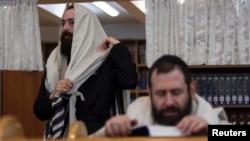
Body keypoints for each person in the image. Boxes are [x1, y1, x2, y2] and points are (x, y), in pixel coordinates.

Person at [33, 3, 138, 139]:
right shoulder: (54, 63)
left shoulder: (104, 61)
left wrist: (118, 46)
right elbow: (39, 112)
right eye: (63, 22)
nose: (65, 28)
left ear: (86, 27)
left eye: (72, 23)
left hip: (95, 136)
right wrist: (53, 94)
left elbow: (129, 81)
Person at [91, 54, 230, 137]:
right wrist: (110, 133)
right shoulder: (135, 113)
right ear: (150, 93)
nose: (169, 102)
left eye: (176, 92)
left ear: (192, 89)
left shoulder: (208, 115)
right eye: (161, 94)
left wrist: (210, 133)